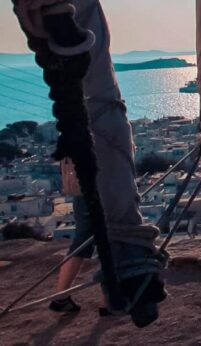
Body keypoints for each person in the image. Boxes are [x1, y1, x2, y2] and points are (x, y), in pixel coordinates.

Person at [12, 0, 165, 326]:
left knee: (89, 234)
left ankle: (90, 290)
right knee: (86, 235)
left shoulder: (73, 132)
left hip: (87, 174)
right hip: (90, 178)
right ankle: (78, 291)